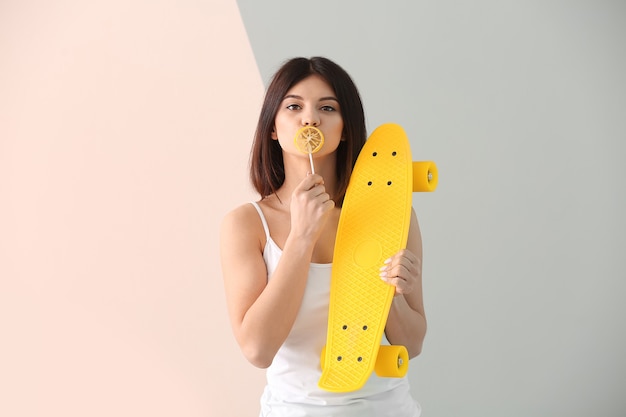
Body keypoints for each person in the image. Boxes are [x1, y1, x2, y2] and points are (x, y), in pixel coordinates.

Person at [220, 56, 426, 417]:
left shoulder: (393, 213)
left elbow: (412, 342)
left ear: (345, 128)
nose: (310, 118)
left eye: (327, 107)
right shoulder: (248, 224)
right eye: (294, 106)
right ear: (273, 127)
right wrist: (301, 237)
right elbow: (257, 349)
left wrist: (387, 293)